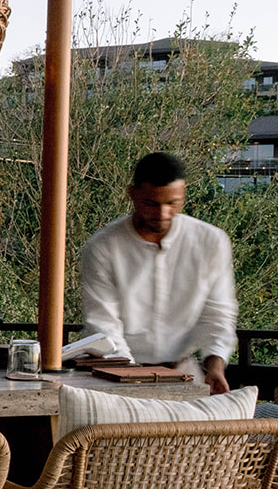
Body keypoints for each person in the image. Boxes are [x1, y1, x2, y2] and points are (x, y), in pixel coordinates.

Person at [79, 151, 237, 394]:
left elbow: (218, 315)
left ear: (183, 194)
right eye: (151, 203)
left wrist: (215, 365)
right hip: (118, 376)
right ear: (132, 194)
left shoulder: (211, 241)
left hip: (186, 375)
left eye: (172, 204)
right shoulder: (103, 247)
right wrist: (135, 382)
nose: (162, 214)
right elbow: (103, 324)